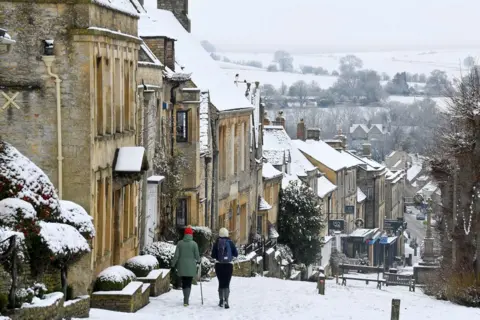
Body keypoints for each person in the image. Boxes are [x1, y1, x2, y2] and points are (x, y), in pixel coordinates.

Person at [171, 226, 200, 306]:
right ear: (191, 234)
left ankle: (185, 298)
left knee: (184, 282)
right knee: (189, 283)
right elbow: (197, 256)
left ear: (185, 234)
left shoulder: (180, 243)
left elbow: (176, 256)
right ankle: (186, 299)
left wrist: (173, 265)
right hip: (191, 267)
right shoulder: (194, 244)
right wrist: (199, 261)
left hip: (182, 266)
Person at [211, 227, 238, 309]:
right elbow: (236, 254)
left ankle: (221, 300)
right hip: (228, 265)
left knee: (221, 282)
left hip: (219, 265)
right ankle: (226, 300)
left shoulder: (217, 243)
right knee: (227, 283)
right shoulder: (230, 243)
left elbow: (213, 255)